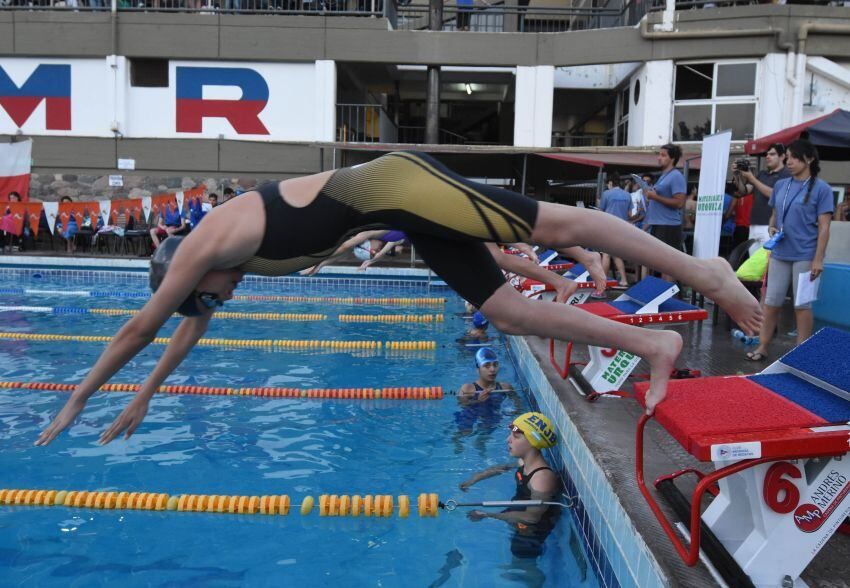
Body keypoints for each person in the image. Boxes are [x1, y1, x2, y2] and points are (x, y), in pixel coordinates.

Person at [35, 151, 762, 446]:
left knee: (559, 221)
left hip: (396, 184)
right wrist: (145, 398)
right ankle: (653, 344)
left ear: (188, 280)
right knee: (505, 313)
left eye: (207, 299)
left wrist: (77, 398)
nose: (216, 302)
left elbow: (141, 327)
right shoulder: (220, 269)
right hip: (398, 212)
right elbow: (185, 334)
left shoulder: (203, 246)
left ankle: (703, 272)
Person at [746, 140, 833, 362]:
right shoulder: (781, 186)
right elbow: (775, 213)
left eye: (795, 157)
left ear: (810, 159)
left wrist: (818, 259)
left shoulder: (821, 188)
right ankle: (763, 346)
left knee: (802, 305)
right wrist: (772, 226)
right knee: (771, 302)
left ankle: (801, 351)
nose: (789, 161)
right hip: (780, 253)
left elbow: (824, 227)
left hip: (805, 254)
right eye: (788, 157)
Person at [460, 412, 560, 559]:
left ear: (533, 442)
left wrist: (488, 515)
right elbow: (503, 468)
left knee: (520, 554)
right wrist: (474, 479)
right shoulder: (524, 462)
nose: (508, 440)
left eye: (516, 436)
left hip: (531, 530)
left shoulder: (541, 478)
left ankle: (532, 578)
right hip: (518, 508)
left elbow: (531, 518)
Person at [452, 347, 520, 455]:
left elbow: (519, 406)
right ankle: (456, 439)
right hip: (472, 414)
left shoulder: (505, 387)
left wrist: (513, 413)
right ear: (478, 369)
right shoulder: (468, 389)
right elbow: (461, 405)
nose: (492, 369)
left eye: (495, 365)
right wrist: (477, 401)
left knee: (509, 427)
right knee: (465, 431)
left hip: (493, 417)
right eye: (487, 366)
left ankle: (480, 442)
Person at [644, 144, 687, 281]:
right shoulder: (664, 176)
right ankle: (662, 297)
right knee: (661, 265)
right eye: (659, 154)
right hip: (658, 224)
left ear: (672, 158)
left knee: (668, 266)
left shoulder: (676, 176)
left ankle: (668, 299)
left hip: (668, 226)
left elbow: (679, 203)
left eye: (663, 155)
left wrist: (654, 196)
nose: (659, 158)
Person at [733, 143, 791, 246]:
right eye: (767, 154)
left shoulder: (786, 174)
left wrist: (752, 179)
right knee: (754, 261)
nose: (768, 156)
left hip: (770, 226)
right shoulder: (762, 174)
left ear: (782, 157)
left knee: (767, 260)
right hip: (753, 225)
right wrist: (737, 175)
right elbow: (744, 191)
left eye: (772, 154)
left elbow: (775, 195)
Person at [598, 173, 631, 287]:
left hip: (608, 227)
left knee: (606, 255)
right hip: (622, 228)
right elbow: (629, 214)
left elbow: (601, 212)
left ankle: (602, 280)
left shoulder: (606, 194)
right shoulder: (627, 195)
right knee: (616, 255)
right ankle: (624, 280)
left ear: (610, 183)